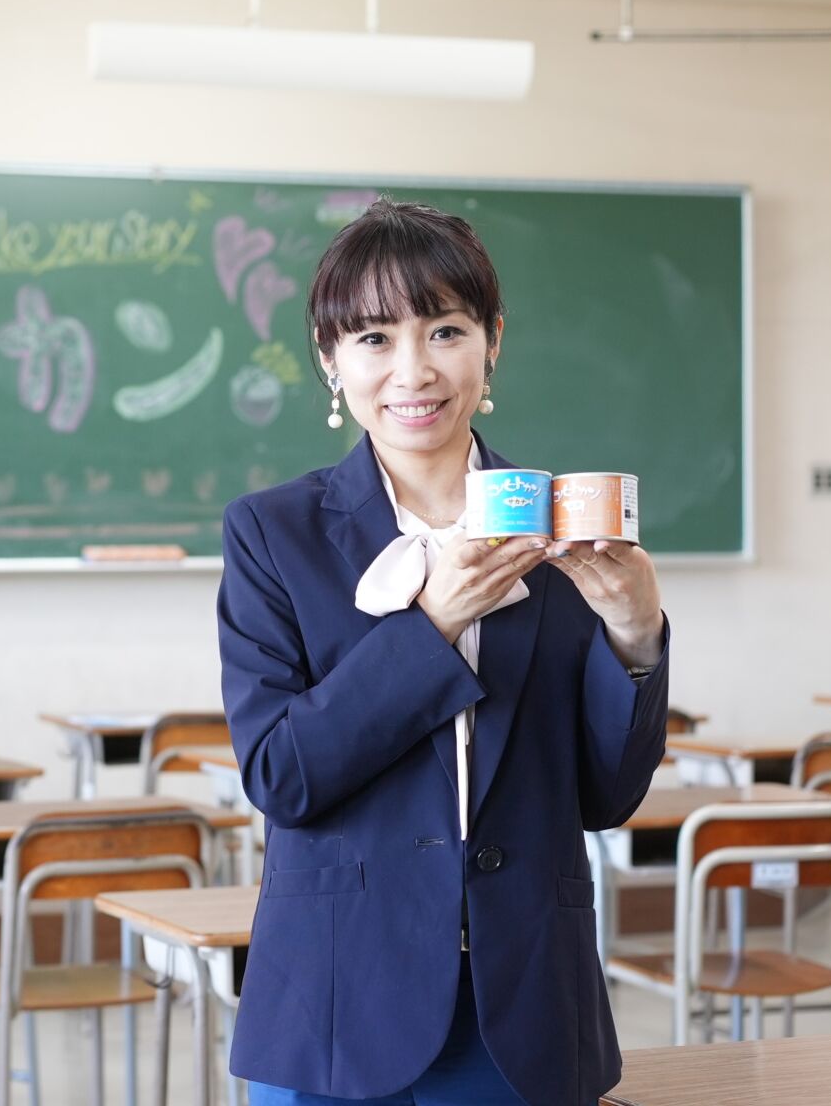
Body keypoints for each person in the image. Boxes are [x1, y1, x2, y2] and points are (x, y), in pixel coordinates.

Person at [216, 198, 669, 1106]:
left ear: (492, 342)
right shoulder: (274, 534)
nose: (413, 370)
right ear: (329, 361)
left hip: (523, 1008)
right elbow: (282, 776)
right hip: (338, 1007)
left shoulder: (553, 526)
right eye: (374, 339)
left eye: (446, 330)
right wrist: (433, 628)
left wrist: (635, 636)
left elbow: (605, 795)